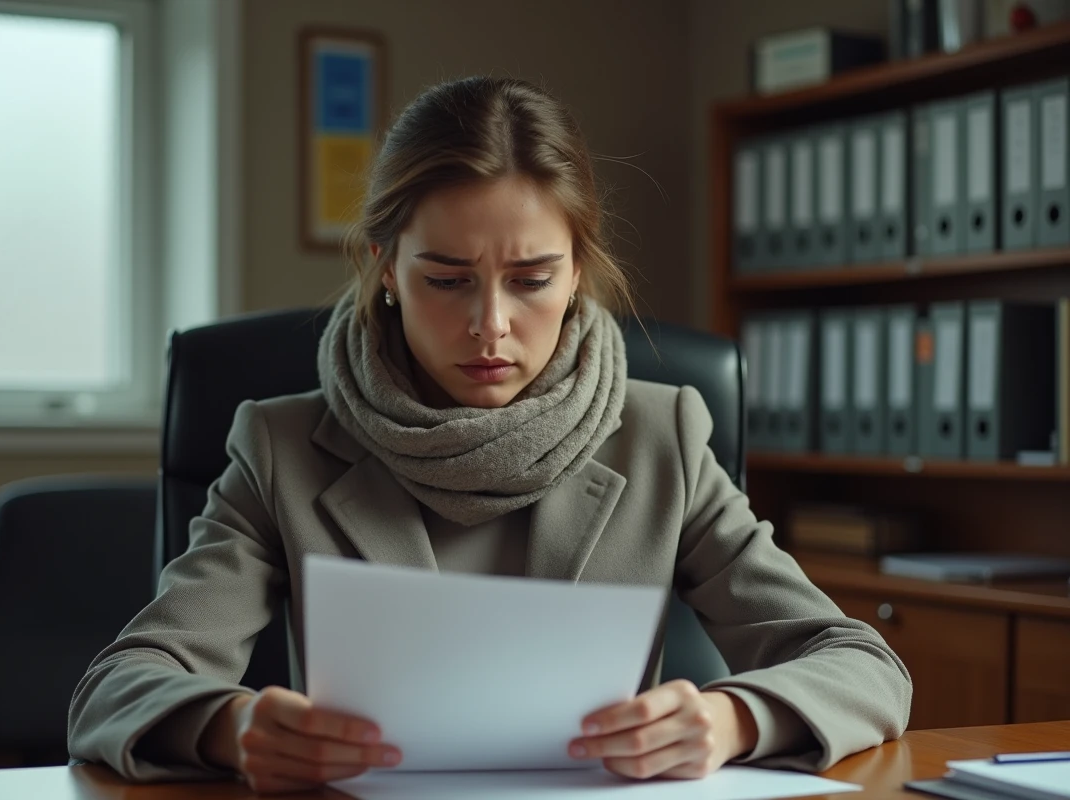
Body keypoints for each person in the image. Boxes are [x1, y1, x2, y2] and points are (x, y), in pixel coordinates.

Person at [67, 76, 911, 794]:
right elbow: (115, 688)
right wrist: (230, 726)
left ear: (578, 267)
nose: (491, 327)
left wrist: (729, 718)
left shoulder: (665, 436)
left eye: (532, 279)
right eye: (448, 279)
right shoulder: (282, 445)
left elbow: (863, 666)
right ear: (383, 269)